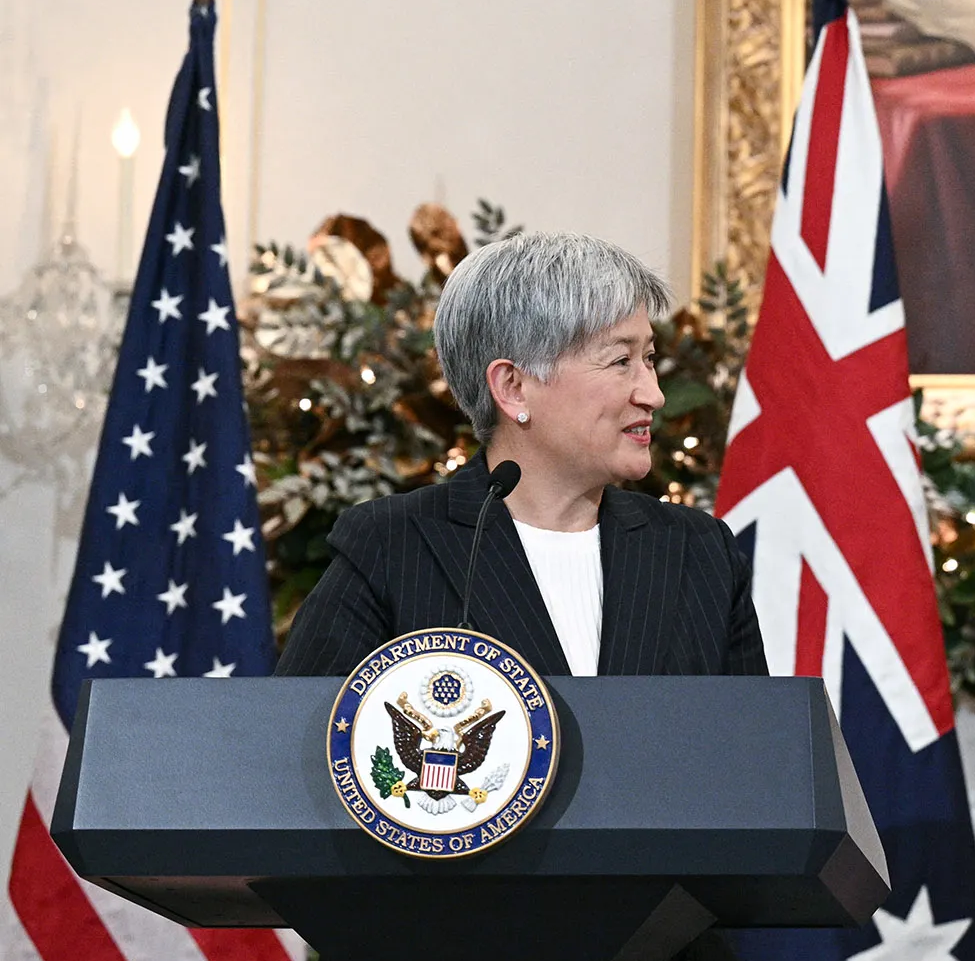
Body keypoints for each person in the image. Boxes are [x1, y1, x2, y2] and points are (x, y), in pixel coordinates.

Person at [279, 231, 766, 679]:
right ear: (513, 387)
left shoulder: (700, 552)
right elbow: (299, 734)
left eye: (649, 359)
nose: (654, 394)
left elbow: (757, 740)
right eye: (621, 361)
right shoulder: (392, 548)